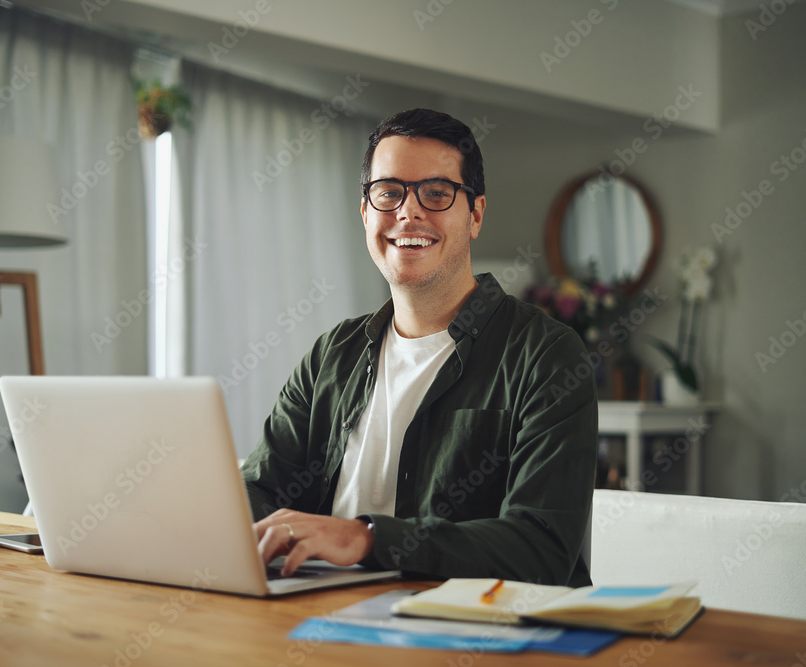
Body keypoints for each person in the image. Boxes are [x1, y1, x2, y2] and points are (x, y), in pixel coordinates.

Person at [242, 108, 597, 586]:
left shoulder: (548, 356)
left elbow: (541, 548)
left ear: (475, 215)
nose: (408, 212)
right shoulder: (332, 354)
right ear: (366, 212)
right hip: (323, 617)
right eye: (388, 193)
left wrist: (365, 538)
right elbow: (260, 488)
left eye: (436, 193)